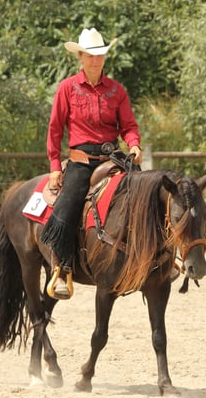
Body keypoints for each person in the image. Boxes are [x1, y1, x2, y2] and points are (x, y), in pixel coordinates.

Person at [41, 27, 142, 299]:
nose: (96, 60)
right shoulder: (67, 88)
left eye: (100, 55)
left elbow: (128, 126)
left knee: (144, 193)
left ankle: (153, 257)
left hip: (114, 157)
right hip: (81, 160)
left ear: (105, 57)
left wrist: (134, 144)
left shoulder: (117, 90)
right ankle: (62, 267)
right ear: (81, 57)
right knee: (68, 203)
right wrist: (54, 167)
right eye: (90, 55)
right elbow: (55, 130)